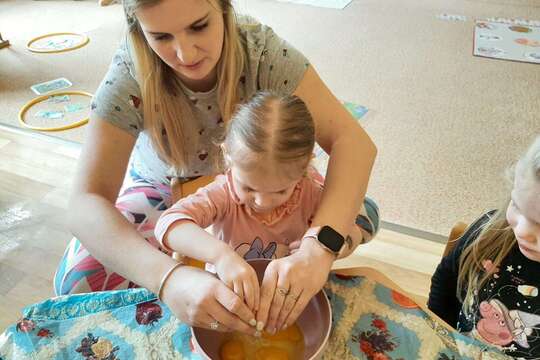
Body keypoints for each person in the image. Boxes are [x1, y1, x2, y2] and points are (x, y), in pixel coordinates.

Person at [54, 0, 378, 335]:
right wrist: (168, 279)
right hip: (165, 179)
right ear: (138, 30)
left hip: (268, 172)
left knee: (355, 215)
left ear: (224, 9)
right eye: (161, 36)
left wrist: (318, 248)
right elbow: (84, 204)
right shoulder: (130, 71)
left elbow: (353, 144)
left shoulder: (263, 53)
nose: (185, 53)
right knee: (78, 283)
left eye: (198, 26)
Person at [154, 91, 377, 333]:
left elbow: (364, 222)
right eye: (248, 187)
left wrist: (328, 249)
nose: (262, 202)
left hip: (291, 300)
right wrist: (221, 256)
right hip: (228, 302)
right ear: (227, 155)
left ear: (304, 169)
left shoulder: (310, 192)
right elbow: (168, 223)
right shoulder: (222, 194)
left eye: (281, 191)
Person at [428, 136, 540, 359]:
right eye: (517, 205)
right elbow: (446, 282)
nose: (523, 231)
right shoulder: (487, 234)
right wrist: (440, 337)